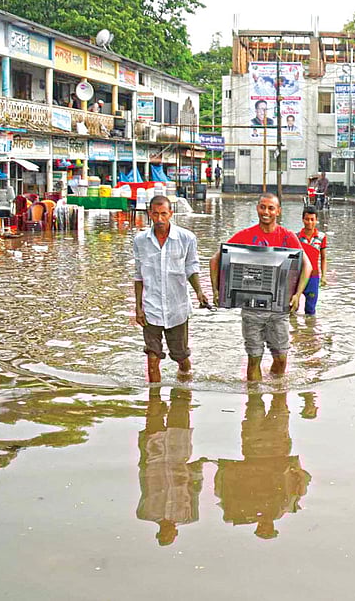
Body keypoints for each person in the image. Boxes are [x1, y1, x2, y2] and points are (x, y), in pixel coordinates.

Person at [210, 193, 312, 381]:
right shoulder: (246, 235)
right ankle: (254, 402)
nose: (266, 212)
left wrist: (298, 294)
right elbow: (216, 259)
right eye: (262, 207)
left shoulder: (287, 236)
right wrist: (217, 290)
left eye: (271, 208)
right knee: (254, 358)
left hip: (279, 309)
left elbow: (307, 265)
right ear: (257, 208)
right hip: (251, 308)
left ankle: (277, 395)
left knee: (281, 358)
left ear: (278, 211)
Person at [214, 391, 311, 539]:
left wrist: (224, 470)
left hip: (256, 448)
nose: (264, 526)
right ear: (272, 527)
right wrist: (295, 467)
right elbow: (300, 483)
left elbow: (223, 488)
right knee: (272, 403)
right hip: (273, 448)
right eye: (266, 529)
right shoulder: (281, 507)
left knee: (255, 403)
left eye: (262, 530)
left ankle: (272, 382)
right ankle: (275, 382)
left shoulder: (247, 510)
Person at [133, 195, 209, 383]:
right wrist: (138, 307)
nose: (159, 219)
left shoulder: (186, 238)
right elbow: (138, 275)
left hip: (177, 308)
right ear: (149, 213)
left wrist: (199, 292)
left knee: (181, 357)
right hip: (151, 309)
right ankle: (154, 406)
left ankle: (184, 392)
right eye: (156, 214)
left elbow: (191, 267)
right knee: (152, 358)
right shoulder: (140, 240)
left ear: (171, 214)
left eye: (164, 214)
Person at [136, 388, 202, 546]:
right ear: (176, 533)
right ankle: (182, 391)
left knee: (154, 418)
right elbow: (194, 491)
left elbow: (144, 486)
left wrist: (143, 454)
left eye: (163, 535)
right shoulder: (189, 516)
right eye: (169, 535)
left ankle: (161, 393)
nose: (166, 532)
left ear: (159, 533)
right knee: (181, 413)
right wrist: (198, 470)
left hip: (153, 461)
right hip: (179, 461)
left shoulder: (145, 513)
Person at [298, 206, 327, 316]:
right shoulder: (296, 237)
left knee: (310, 310)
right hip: (298, 276)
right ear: (303, 219)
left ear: (316, 220)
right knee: (292, 306)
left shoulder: (321, 237)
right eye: (307, 219)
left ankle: (309, 332)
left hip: (313, 277)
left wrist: (324, 276)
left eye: (312, 219)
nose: (309, 222)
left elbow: (323, 258)